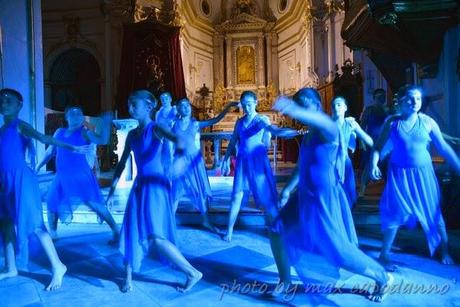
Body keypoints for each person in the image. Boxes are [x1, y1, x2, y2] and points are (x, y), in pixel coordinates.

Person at [273, 88, 392, 302]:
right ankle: (285, 280)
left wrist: (291, 108)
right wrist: (287, 189)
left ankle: (382, 276)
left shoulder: (329, 127)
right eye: (297, 104)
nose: (299, 109)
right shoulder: (310, 133)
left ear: (317, 105)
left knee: (336, 249)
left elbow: (314, 120)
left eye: (303, 104)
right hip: (303, 195)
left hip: (322, 196)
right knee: (276, 229)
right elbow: (302, 165)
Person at [106, 90, 202, 293]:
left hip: (155, 187)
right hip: (140, 187)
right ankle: (128, 277)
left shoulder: (156, 127)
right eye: (129, 104)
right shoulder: (132, 134)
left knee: (156, 237)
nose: (130, 108)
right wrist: (111, 190)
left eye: (134, 104)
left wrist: (179, 163)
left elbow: (180, 141)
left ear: (149, 107)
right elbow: (122, 163)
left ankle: (192, 272)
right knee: (131, 229)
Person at [370, 85, 460, 270]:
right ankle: (384, 254)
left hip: (423, 175)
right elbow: (378, 147)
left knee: (434, 213)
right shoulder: (392, 122)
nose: (415, 102)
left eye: (418, 99)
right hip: (399, 175)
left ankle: (444, 251)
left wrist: (458, 166)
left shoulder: (427, 122)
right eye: (410, 98)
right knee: (394, 211)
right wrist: (373, 163)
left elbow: (443, 148)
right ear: (401, 101)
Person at [0, 88, 79, 290]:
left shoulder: (19, 126)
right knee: (6, 224)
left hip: (22, 181)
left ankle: (58, 266)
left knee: (34, 224)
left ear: (19, 106)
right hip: (4, 182)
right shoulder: (1, 131)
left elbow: (44, 139)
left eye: (9, 100)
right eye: (1, 100)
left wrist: (70, 147)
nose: (4, 102)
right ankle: (11, 268)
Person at [221, 91, 297, 292]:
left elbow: (274, 132)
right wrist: (226, 157)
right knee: (236, 195)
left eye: (249, 103)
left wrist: (294, 132)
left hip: (258, 162)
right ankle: (229, 229)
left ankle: (277, 226)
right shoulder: (239, 122)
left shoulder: (262, 119)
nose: (246, 107)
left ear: (255, 102)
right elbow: (232, 142)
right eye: (242, 104)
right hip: (243, 162)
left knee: (266, 200)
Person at [36, 106, 119, 242]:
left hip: (81, 174)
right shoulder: (59, 132)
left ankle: (116, 230)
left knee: (94, 204)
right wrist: (38, 166)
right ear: (67, 117)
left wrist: (106, 122)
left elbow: (102, 140)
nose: (77, 115)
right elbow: (50, 151)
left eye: (79, 113)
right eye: (73, 113)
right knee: (52, 200)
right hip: (62, 176)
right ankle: (54, 233)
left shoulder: (84, 132)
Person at [172, 98, 238, 232]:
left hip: (194, 161)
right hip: (179, 160)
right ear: (177, 109)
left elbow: (216, 120)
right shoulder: (173, 124)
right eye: (182, 106)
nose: (186, 108)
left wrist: (229, 106)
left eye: (187, 106)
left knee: (200, 191)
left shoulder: (195, 124)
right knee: (175, 192)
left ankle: (206, 221)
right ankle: (170, 221)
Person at [331, 96, 373, 206]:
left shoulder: (350, 124)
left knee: (346, 199)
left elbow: (367, 139)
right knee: (332, 199)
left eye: (339, 104)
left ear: (345, 107)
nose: (336, 107)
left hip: (345, 163)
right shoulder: (327, 124)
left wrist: (380, 147)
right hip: (330, 164)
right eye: (334, 105)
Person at [359, 88, 389, 196]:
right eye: (379, 96)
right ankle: (362, 191)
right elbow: (362, 126)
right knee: (369, 165)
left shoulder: (388, 110)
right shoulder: (369, 110)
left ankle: (387, 191)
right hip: (371, 142)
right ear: (374, 98)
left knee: (386, 165)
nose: (382, 98)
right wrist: (362, 142)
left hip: (385, 142)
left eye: (383, 96)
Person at [155, 91, 177, 172]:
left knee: (173, 158)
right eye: (162, 99)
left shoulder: (175, 111)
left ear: (170, 99)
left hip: (172, 139)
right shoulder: (158, 113)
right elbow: (156, 127)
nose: (164, 100)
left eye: (166, 98)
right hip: (161, 139)